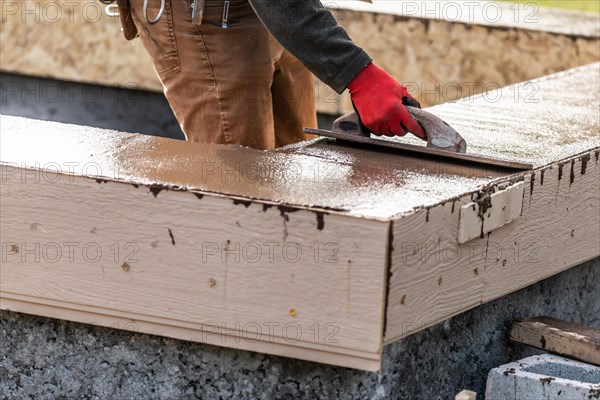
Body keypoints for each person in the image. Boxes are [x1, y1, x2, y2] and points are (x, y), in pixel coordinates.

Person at [121, 0, 425, 150]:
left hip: (276, 7)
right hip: (205, 13)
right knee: (242, 193)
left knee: (291, 165)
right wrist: (360, 76)